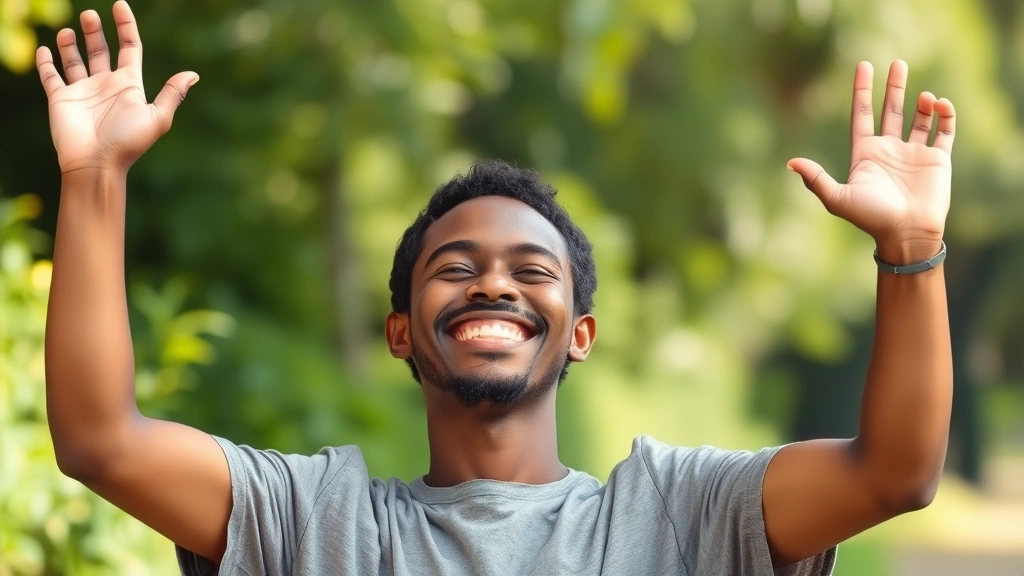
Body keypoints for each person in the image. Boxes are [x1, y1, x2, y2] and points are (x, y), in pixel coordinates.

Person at [39, 3, 955, 575]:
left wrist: (912, 250)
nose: (492, 285)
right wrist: (95, 181)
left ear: (580, 333)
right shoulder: (310, 523)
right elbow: (101, 443)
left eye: (532, 271)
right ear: (400, 332)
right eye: (454, 268)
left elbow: (895, 473)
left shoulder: (685, 515)